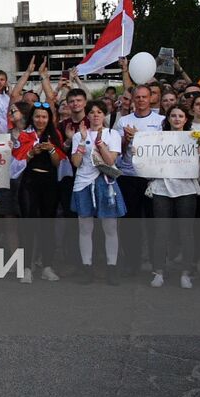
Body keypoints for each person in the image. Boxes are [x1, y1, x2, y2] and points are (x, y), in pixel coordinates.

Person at [146, 104, 200, 289]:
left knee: (186, 233)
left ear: (186, 119)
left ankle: (186, 273)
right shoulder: (157, 139)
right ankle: (158, 272)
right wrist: (139, 154)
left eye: (180, 116)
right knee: (161, 232)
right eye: (173, 115)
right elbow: (148, 162)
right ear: (168, 119)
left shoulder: (194, 139)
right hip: (161, 189)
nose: (177, 119)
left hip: (186, 189)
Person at [71, 102, 126, 284]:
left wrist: (100, 144)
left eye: (100, 112)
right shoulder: (79, 135)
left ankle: (112, 268)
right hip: (83, 183)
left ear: (104, 115)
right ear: (87, 115)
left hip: (105, 182)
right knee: (85, 228)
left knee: (110, 227)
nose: (95, 115)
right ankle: (87, 267)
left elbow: (110, 161)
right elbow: (76, 162)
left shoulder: (113, 134)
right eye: (92, 112)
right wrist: (82, 140)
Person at [112, 84, 163, 277]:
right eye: (138, 97)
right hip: (128, 176)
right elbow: (117, 149)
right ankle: (132, 261)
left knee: (153, 222)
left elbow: (162, 146)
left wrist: (140, 137)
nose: (141, 100)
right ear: (133, 99)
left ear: (151, 98)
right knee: (129, 222)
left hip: (151, 177)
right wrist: (126, 139)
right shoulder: (123, 121)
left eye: (144, 97)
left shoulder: (160, 120)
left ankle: (155, 263)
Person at [17, 102, 66, 281]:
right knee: (28, 225)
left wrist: (51, 149)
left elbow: (58, 161)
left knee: (47, 225)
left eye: (44, 117)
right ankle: (26, 268)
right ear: (32, 117)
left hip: (49, 183)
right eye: (37, 116)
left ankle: (47, 266)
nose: (40, 120)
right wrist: (32, 152)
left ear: (49, 119)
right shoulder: (25, 135)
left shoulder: (55, 134)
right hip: (29, 182)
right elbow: (18, 160)